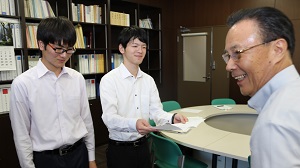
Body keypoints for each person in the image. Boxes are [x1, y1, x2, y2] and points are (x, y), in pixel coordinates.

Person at [9, 16, 97, 168]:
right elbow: (21, 135)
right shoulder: (22, 84)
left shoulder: (77, 78)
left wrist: (91, 158)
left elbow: (86, 121)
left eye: (69, 49)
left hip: (78, 155)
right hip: (47, 160)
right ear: (41, 44)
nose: (64, 55)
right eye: (58, 49)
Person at [100, 26, 188, 168]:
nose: (140, 51)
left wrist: (172, 118)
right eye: (135, 46)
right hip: (120, 150)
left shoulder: (148, 80)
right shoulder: (109, 80)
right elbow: (109, 118)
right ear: (122, 49)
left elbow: (156, 112)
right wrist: (134, 124)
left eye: (143, 46)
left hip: (143, 147)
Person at [223, 7, 300, 168]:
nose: (229, 66)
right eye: (228, 56)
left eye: (237, 53)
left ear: (277, 49)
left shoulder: (275, 122)